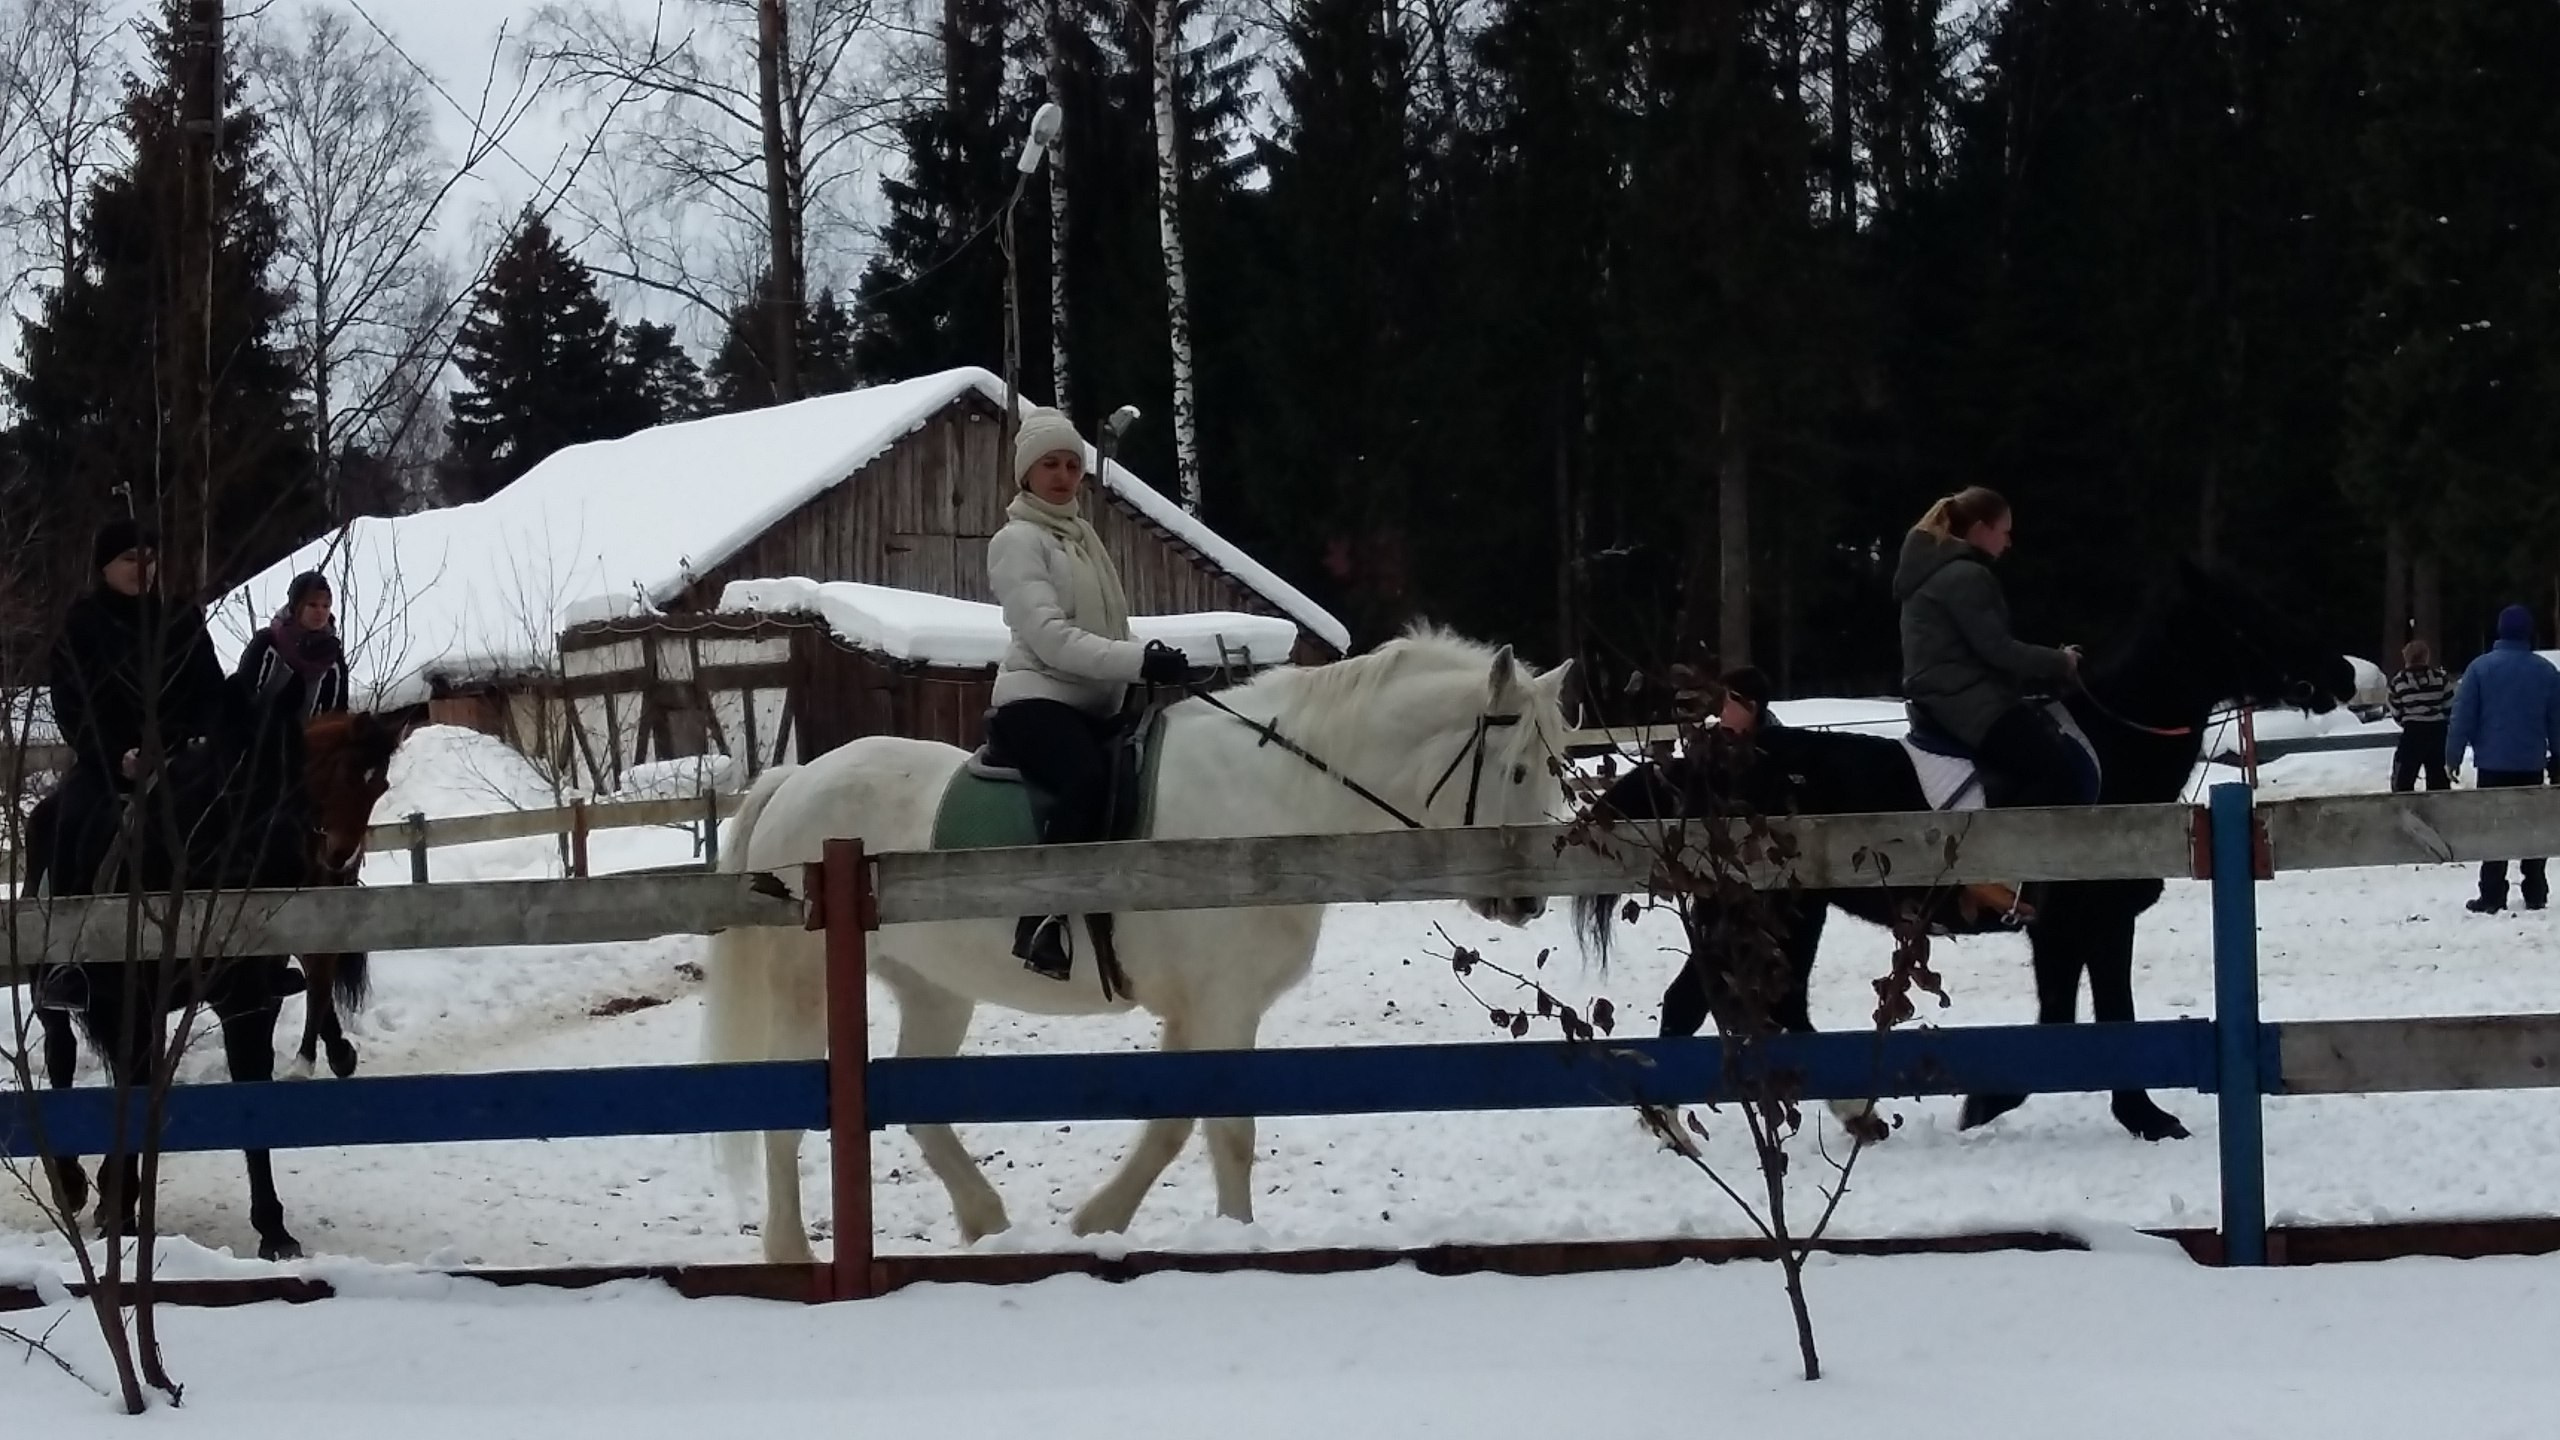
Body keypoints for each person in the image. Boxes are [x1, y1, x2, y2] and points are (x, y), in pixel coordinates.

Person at [987, 407, 1189, 979]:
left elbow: (1110, 632)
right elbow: (1050, 639)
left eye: (1073, 464)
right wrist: (1136, 660)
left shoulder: (1081, 538)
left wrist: (1150, 658)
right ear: (1026, 473)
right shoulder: (1018, 541)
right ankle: (1043, 920)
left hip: (1097, 705)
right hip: (1038, 701)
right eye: (1050, 463)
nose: (1063, 474)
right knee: (1083, 780)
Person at [37, 519, 231, 1006]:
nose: (142, 569)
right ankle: (68, 959)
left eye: (150, 558)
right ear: (104, 567)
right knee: (71, 826)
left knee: (240, 820)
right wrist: (113, 755)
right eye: (130, 559)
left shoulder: (181, 617)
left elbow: (211, 688)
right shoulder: (82, 625)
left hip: (183, 761)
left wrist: (203, 735)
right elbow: (70, 702)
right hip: (108, 764)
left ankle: (254, 955)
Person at [1891, 486, 2084, 807]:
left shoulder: (1932, 573)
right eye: (2004, 532)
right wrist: (2062, 662)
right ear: (1981, 529)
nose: (2008, 542)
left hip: (1942, 699)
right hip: (1967, 705)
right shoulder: (1965, 576)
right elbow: (1999, 650)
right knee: (2058, 771)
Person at [2446, 604, 2560, 913]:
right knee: (2532, 827)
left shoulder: (2480, 669)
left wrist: (2452, 755)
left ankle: (2492, 892)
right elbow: (2557, 720)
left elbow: (2463, 716)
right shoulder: (2546, 671)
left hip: (2493, 763)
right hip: (2531, 763)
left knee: (2494, 828)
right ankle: (2535, 889)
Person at [2387, 638, 2453, 793]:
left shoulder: (2399, 681)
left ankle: (2405, 808)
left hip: (2413, 731)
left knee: (2404, 776)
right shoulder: (2439, 678)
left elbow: (2395, 708)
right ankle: (2440, 806)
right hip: (2438, 731)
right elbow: (2449, 705)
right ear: (2426, 657)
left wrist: (2405, 720)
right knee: (2438, 774)